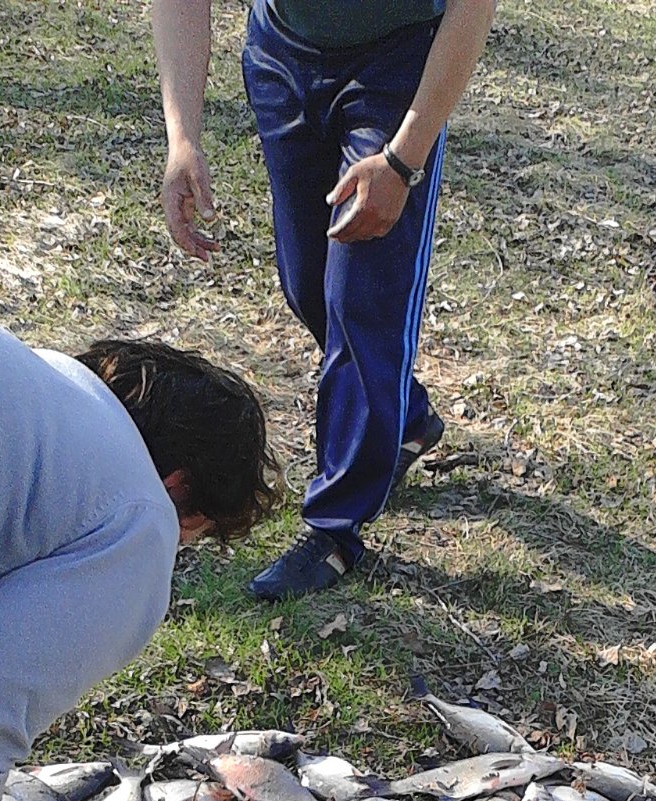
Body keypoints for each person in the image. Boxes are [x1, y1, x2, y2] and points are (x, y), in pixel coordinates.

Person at [0, 301, 279, 801]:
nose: (178, 546)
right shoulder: (141, 518)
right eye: (198, 533)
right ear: (181, 486)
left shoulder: (36, 395)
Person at [152, 0, 497, 602]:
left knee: (360, 302)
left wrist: (402, 158)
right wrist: (182, 136)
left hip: (395, 67)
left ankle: (334, 530)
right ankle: (404, 416)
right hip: (282, 59)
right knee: (307, 285)